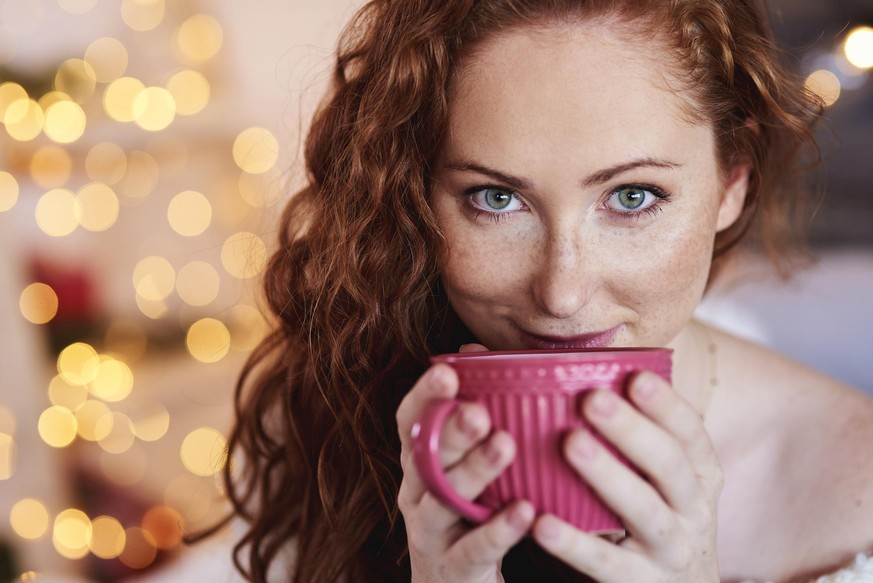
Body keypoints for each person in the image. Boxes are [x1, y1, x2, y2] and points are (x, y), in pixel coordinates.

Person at [222, 0, 873, 581]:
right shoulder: (334, 416)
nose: (561, 293)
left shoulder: (854, 497)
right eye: (495, 198)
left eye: (632, 196)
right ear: (415, 196)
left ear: (733, 180)